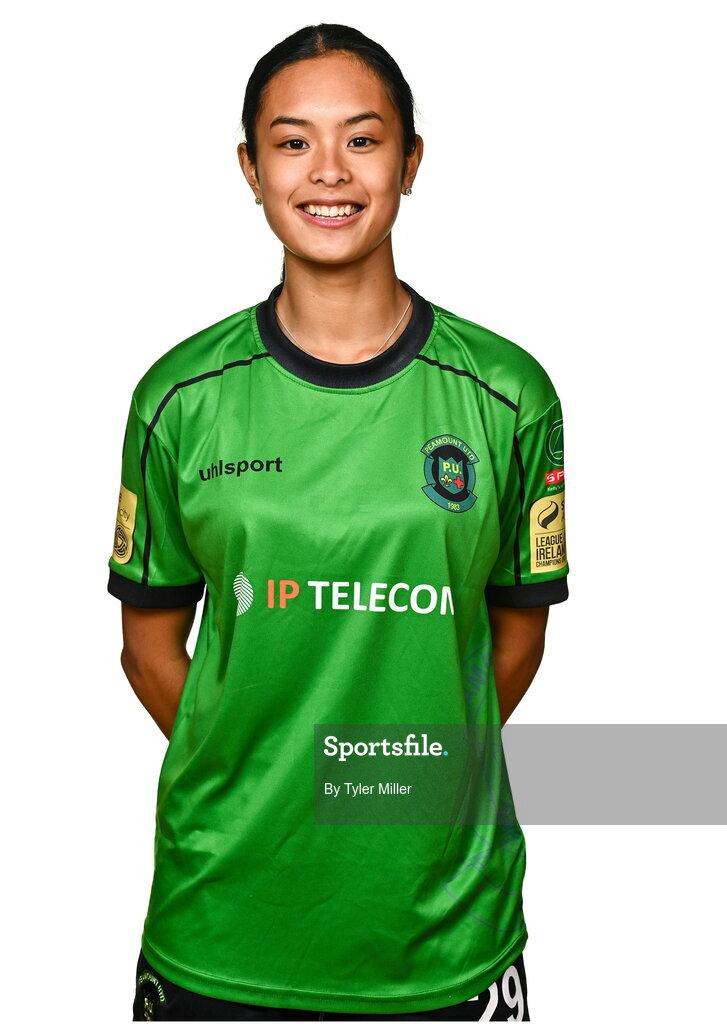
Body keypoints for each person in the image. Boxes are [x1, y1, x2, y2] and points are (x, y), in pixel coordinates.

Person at [109, 22, 568, 1023]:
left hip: (440, 930)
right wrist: (271, 777)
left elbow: (515, 636)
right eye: (292, 141)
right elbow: (147, 649)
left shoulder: (507, 396)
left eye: (362, 139)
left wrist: (389, 781)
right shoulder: (179, 398)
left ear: (410, 161)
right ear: (250, 168)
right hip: (221, 922)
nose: (328, 171)